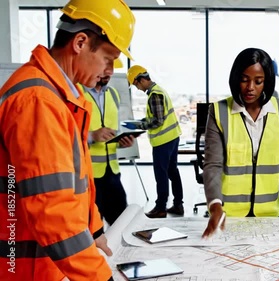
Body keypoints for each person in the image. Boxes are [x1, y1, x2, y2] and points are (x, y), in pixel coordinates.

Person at [0, 0, 135, 280]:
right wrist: (99, 277)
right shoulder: (38, 100)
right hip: (24, 267)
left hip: (46, 260)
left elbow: (76, 182)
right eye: (108, 59)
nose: (109, 71)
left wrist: (95, 229)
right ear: (81, 42)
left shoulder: (62, 95)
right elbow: (53, 208)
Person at [202, 48, 279, 238]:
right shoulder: (218, 112)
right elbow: (213, 165)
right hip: (229, 216)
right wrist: (215, 205)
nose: (250, 87)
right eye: (244, 79)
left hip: (269, 217)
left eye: (258, 81)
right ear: (235, 79)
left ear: (267, 82)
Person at [125, 65, 184, 218]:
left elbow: (157, 121)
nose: (137, 88)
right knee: (172, 171)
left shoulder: (154, 95)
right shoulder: (159, 90)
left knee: (161, 174)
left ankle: (161, 208)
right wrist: (140, 122)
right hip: (172, 137)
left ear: (141, 79)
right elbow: (157, 117)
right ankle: (178, 205)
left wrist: (139, 126)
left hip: (163, 141)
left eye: (136, 84)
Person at [80, 59, 134, 225]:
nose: (109, 72)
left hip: (112, 172)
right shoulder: (77, 93)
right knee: (92, 228)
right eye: (105, 66)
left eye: (112, 68)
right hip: (87, 176)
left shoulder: (113, 95)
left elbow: (112, 131)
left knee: (120, 225)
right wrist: (91, 136)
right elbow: (64, 134)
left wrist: (121, 141)